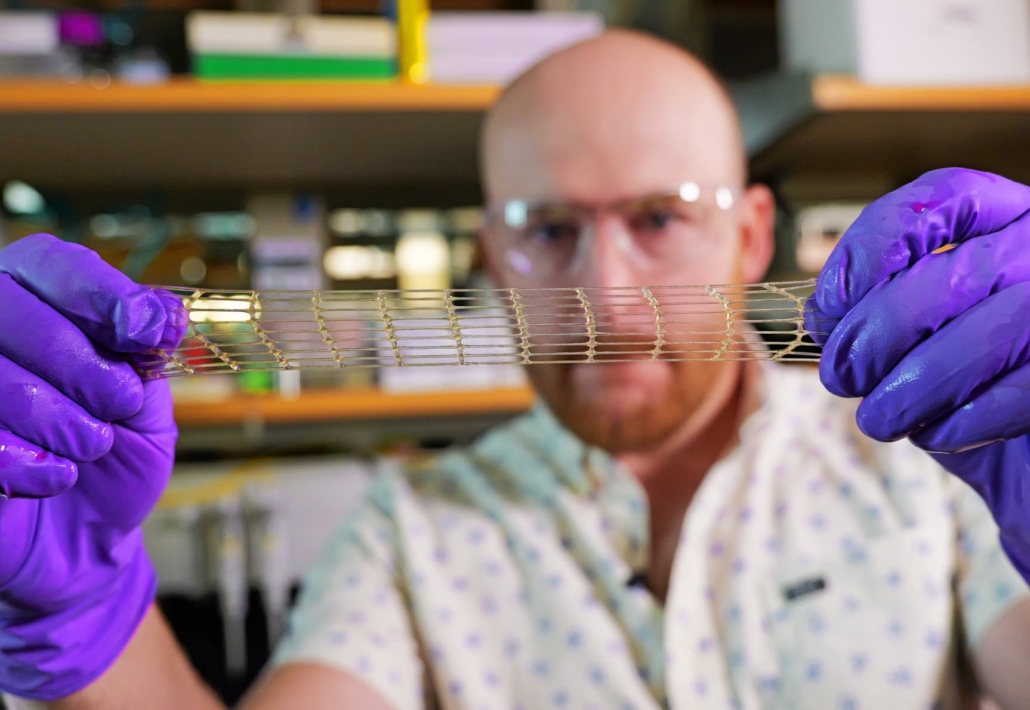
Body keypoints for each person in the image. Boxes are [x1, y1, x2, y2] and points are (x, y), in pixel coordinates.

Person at [4, 29, 1030, 710]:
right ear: (493, 259)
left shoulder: (934, 465)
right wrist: (88, 621)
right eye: (547, 229)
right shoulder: (413, 525)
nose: (609, 291)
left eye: (659, 216)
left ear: (752, 237)